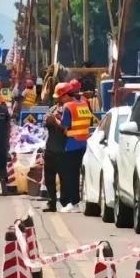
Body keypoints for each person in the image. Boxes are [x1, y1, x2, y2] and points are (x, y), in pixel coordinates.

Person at [58, 80, 95, 210]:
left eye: (60, 97)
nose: (60, 101)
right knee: (83, 174)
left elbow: (64, 127)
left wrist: (55, 121)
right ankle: (82, 201)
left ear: (65, 95)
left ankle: (74, 203)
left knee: (72, 175)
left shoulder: (68, 106)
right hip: (84, 144)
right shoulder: (84, 103)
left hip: (72, 145)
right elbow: (89, 121)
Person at [42, 81, 71, 212]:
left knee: (64, 178)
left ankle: (65, 202)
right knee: (49, 178)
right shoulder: (53, 109)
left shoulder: (70, 109)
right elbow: (45, 123)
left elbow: (67, 129)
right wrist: (48, 120)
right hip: (51, 149)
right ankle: (51, 202)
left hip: (64, 150)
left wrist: (56, 121)